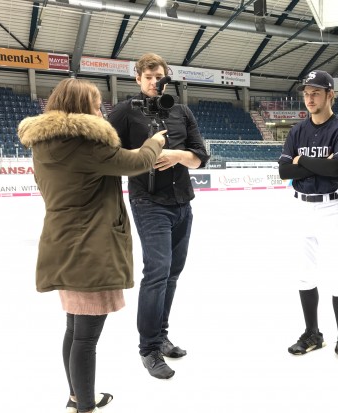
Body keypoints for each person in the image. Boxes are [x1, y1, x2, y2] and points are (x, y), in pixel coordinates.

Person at [18, 78, 165, 413]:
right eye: (97, 105)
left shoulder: (44, 144)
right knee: (85, 337)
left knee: (74, 328)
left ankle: (76, 396)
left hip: (61, 243)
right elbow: (136, 163)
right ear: (81, 109)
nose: (102, 111)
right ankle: (85, 405)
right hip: (89, 247)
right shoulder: (86, 145)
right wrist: (155, 142)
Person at [108, 53, 210, 380]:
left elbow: (199, 158)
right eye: (148, 76)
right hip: (148, 201)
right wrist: (145, 156)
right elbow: (109, 154)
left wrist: (175, 155)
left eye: (159, 76)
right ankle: (148, 348)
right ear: (138, 78)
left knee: (173, 273)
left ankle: (161, 335)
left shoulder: (181, 111)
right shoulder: (126, 112)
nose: (154, 81)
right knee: (158, 270)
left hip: (183, 202)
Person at [278, 70, 338, 366]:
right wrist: (317, 164)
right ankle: (312, 333)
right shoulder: (298, 130)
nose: (310, 98)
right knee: (304, 273)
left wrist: (302, 161)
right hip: (301, 207)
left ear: (330, 95)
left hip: (331, 208)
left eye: (316, 92)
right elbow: (285, 172)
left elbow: (336, 167)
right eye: (306, 93)